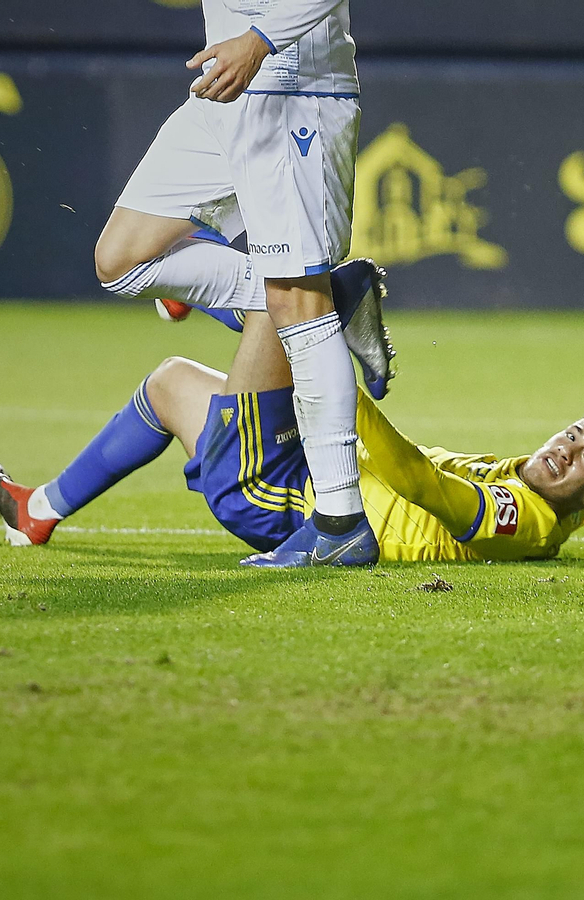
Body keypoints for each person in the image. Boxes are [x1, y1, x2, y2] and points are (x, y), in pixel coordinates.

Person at [0, 310, 584, 566]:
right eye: (573, 433)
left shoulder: (525, 518)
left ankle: (190, 276)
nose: (566, 449)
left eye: (583, 458)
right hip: (311, 463)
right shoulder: (574, 491)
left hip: (297, 505)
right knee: (170, 382)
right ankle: (40, 511)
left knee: (289, 302)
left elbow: (423, 484)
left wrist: (343, 393)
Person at [88, 1, 388, 566]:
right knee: (121, 259)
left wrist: (260, 38)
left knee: (296, 298)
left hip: (297, 91)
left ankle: (341, 522)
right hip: (223, 93)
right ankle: (337, 302)